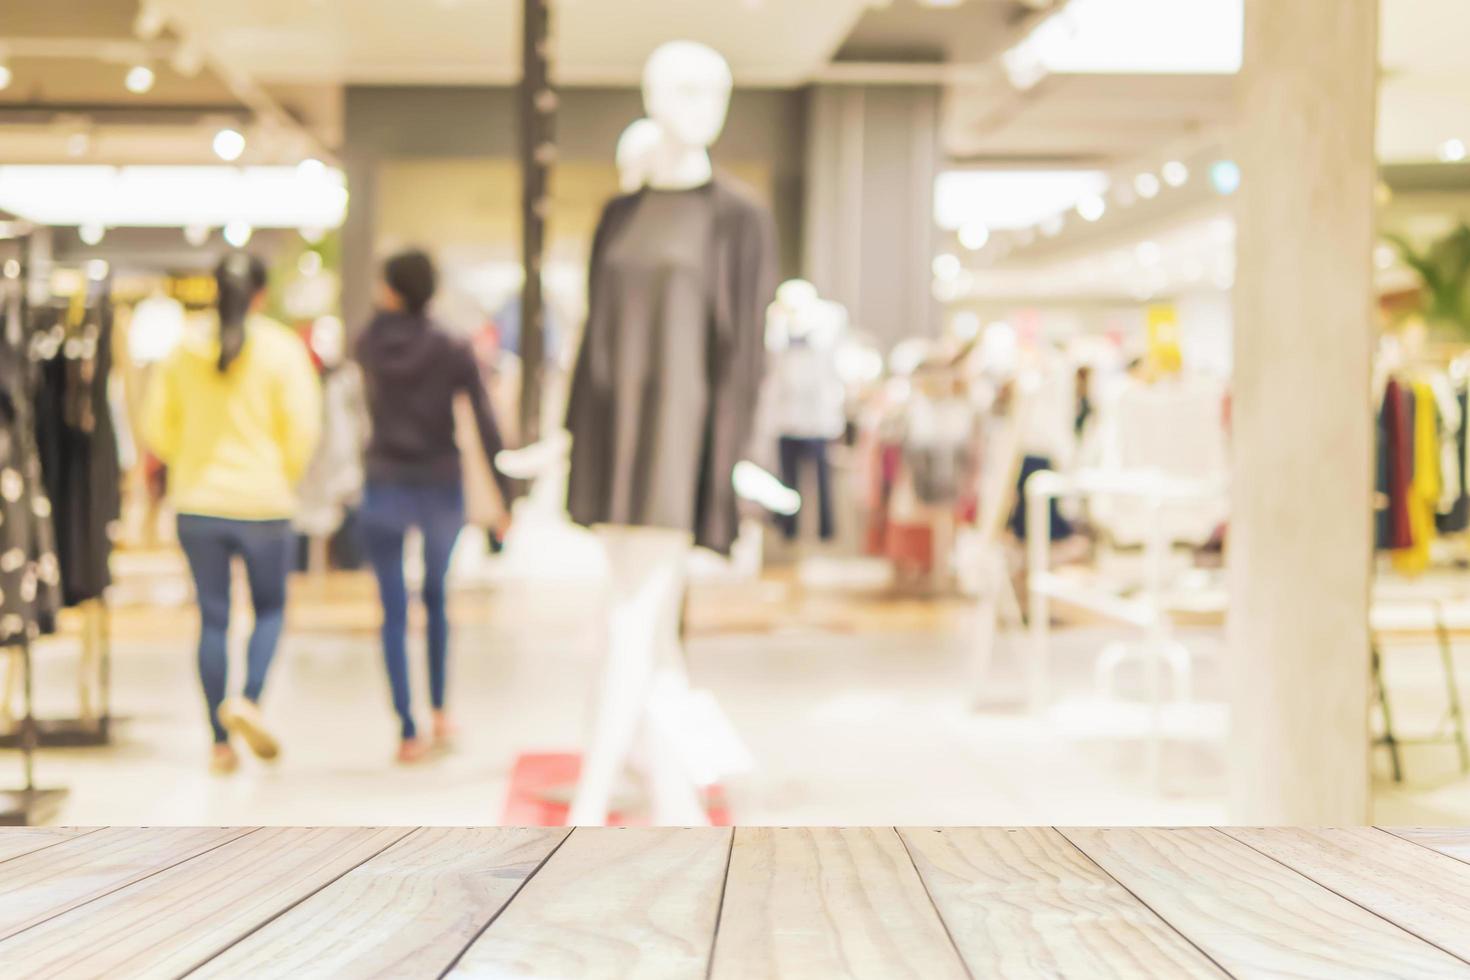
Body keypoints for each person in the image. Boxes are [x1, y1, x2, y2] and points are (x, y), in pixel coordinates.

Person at [143, 252, 322, 774]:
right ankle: (249, 700)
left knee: (213, 618)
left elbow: (158, 428)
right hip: (264, 504)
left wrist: (191, 461)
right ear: (261, 294)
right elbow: (303, 429)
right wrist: (279, 474)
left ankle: (219, 743)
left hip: (199, 504)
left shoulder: (181, 349)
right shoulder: (282, 349)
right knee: (269, 610)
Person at [356, 249, 514, 763]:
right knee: (437, 598)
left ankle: (406, 730)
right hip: (438, 482)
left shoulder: (370, 343)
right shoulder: (450, 345)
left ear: (392, 290)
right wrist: (505, 495)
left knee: (393, 611)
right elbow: (486, 420)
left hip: (384, 480)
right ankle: (441, 710)